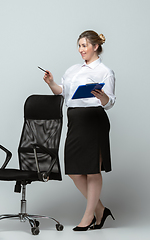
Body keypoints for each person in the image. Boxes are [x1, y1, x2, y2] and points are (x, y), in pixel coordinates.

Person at [42, 30, 116, 231]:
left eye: (84, 45)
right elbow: (63, 93)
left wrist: (101, 96)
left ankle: (89, 216)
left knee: (93, 171)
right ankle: (100, 209)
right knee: (74, 171)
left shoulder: (105, 72)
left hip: (94, 121)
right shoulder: (73, 69)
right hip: (75, 123)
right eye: (79, 45)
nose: (80, 49)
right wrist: (51, 83)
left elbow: (109, 102)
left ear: (95, 47)